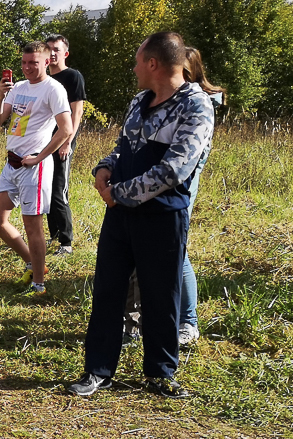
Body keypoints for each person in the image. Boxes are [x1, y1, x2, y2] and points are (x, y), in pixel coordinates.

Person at [67, 32, 214, 399]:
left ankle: (160, 374)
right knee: (107, 291)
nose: (133, 68)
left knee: (161, 294)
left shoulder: (196, 105)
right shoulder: (139, 100)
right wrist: (105, 168)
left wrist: (118, 194)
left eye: (137, 61)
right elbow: (123, 146)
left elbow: (175, 169)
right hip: (120, 215)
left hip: (163, 216)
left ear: (154, 64)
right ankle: (98, 371)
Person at [123, 47, 224, 347]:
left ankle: (187, 321)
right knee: (142, 255)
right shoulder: (148, 102)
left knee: (176, 254)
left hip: (177, 191)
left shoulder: (197, 106)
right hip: (147, 189)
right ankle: (133, 321)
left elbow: (179, 166)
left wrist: (126, 190)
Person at [0, 41, 74, 298]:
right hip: (11, 163)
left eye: (33, 63)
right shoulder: (19, 88)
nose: (27, 68)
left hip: (33, 167)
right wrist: (1, 95)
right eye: (24, 63)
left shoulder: (53, 89)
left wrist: (39, 158)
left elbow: (66, 129)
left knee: (32, 226)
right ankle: (35, 263)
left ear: (46, 62)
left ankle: (38, 285)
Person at [45, 34, 86, 257]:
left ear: (65, 53)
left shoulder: (73, 77)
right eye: (48, 49)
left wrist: (67, 142)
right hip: (43, 143)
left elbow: (77, 112)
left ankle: (66, 242)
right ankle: (52, 236)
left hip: (62, 141)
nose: (52, 53)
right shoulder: (44, 78)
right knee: (46, 190)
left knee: (59, 190)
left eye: (56, 50)